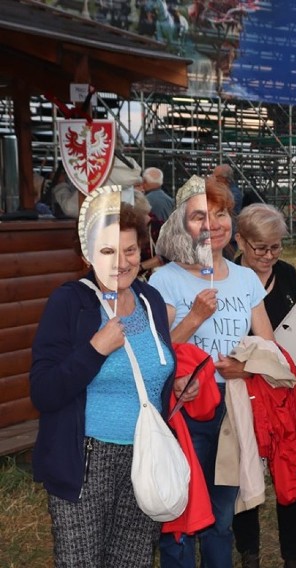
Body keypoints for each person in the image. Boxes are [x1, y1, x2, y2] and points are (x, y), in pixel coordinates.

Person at [29, 187, 177, 567]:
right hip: (86, 459)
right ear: (88, 255)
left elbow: (152, 372)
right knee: (80, 561)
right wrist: (95, 349)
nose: (121, 262)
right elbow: (43, 392)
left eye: (130, 250)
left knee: (132, 561)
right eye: (108, 251)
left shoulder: (150, 301)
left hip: (144, 457)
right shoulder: (69, 303)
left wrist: (173, 386)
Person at [151, 175, 276, 568]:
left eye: (220, 213)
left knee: (221, 519)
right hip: (185, 410)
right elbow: (152, 354)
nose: (213, 224)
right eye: (200, 216)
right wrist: (193, 319)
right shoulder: (165, 279)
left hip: (233, 407)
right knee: (182, 518)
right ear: (184, 225)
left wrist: (245, 367)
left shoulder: (244, 279)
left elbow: (269, 347)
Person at [232, 203, 296, 568]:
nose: (268, 256)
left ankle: (293, 555)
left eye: (275, 247)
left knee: (290, 470)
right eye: (260, 247)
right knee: (244, 469)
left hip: (283, 390)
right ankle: (248, 550)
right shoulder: (226, 276)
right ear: (240, 241)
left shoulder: (288, 274)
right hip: (242, 389)